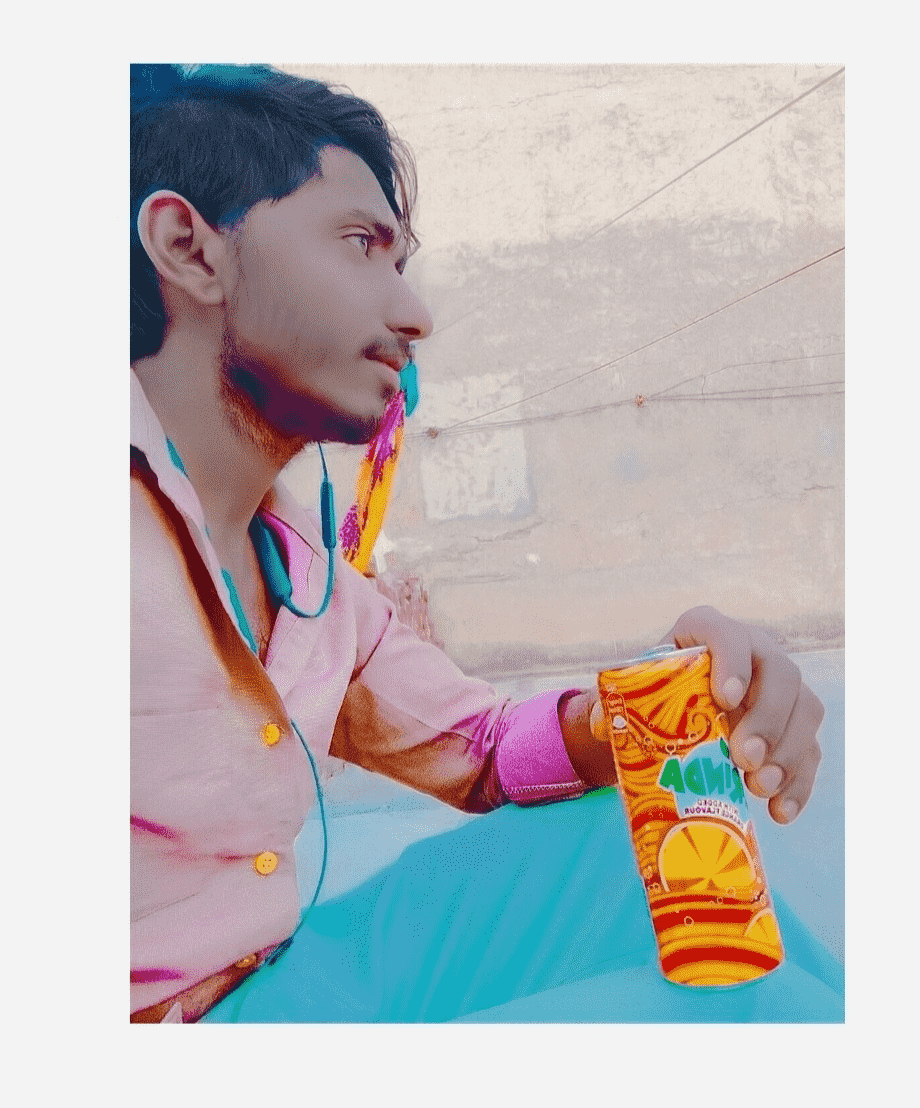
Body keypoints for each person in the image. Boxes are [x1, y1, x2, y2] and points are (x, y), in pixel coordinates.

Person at [130, 63, 842, 1023]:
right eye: (360, 244)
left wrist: (659, 703)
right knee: (748, 1022)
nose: (416, 314)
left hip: (286, 978)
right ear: (189, 248)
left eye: (401, 263)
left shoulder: (314, 583)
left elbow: (487, 749)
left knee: (640, 858)